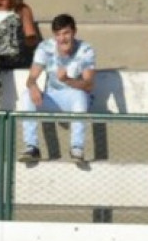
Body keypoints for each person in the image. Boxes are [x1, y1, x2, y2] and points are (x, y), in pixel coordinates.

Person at [17, 14, 96, 163]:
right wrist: (33, 85)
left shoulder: (85, 50)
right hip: (52, 98)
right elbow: (31, 77)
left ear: (74, 32)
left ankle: (77, 147)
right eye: (58, 34)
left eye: (66, 33)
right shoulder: (45, 47)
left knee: (79, 96)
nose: (62, 38)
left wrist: (67, 80)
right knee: (27, 95)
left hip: (75, 99)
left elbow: (89, 85)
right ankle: (31, 146)